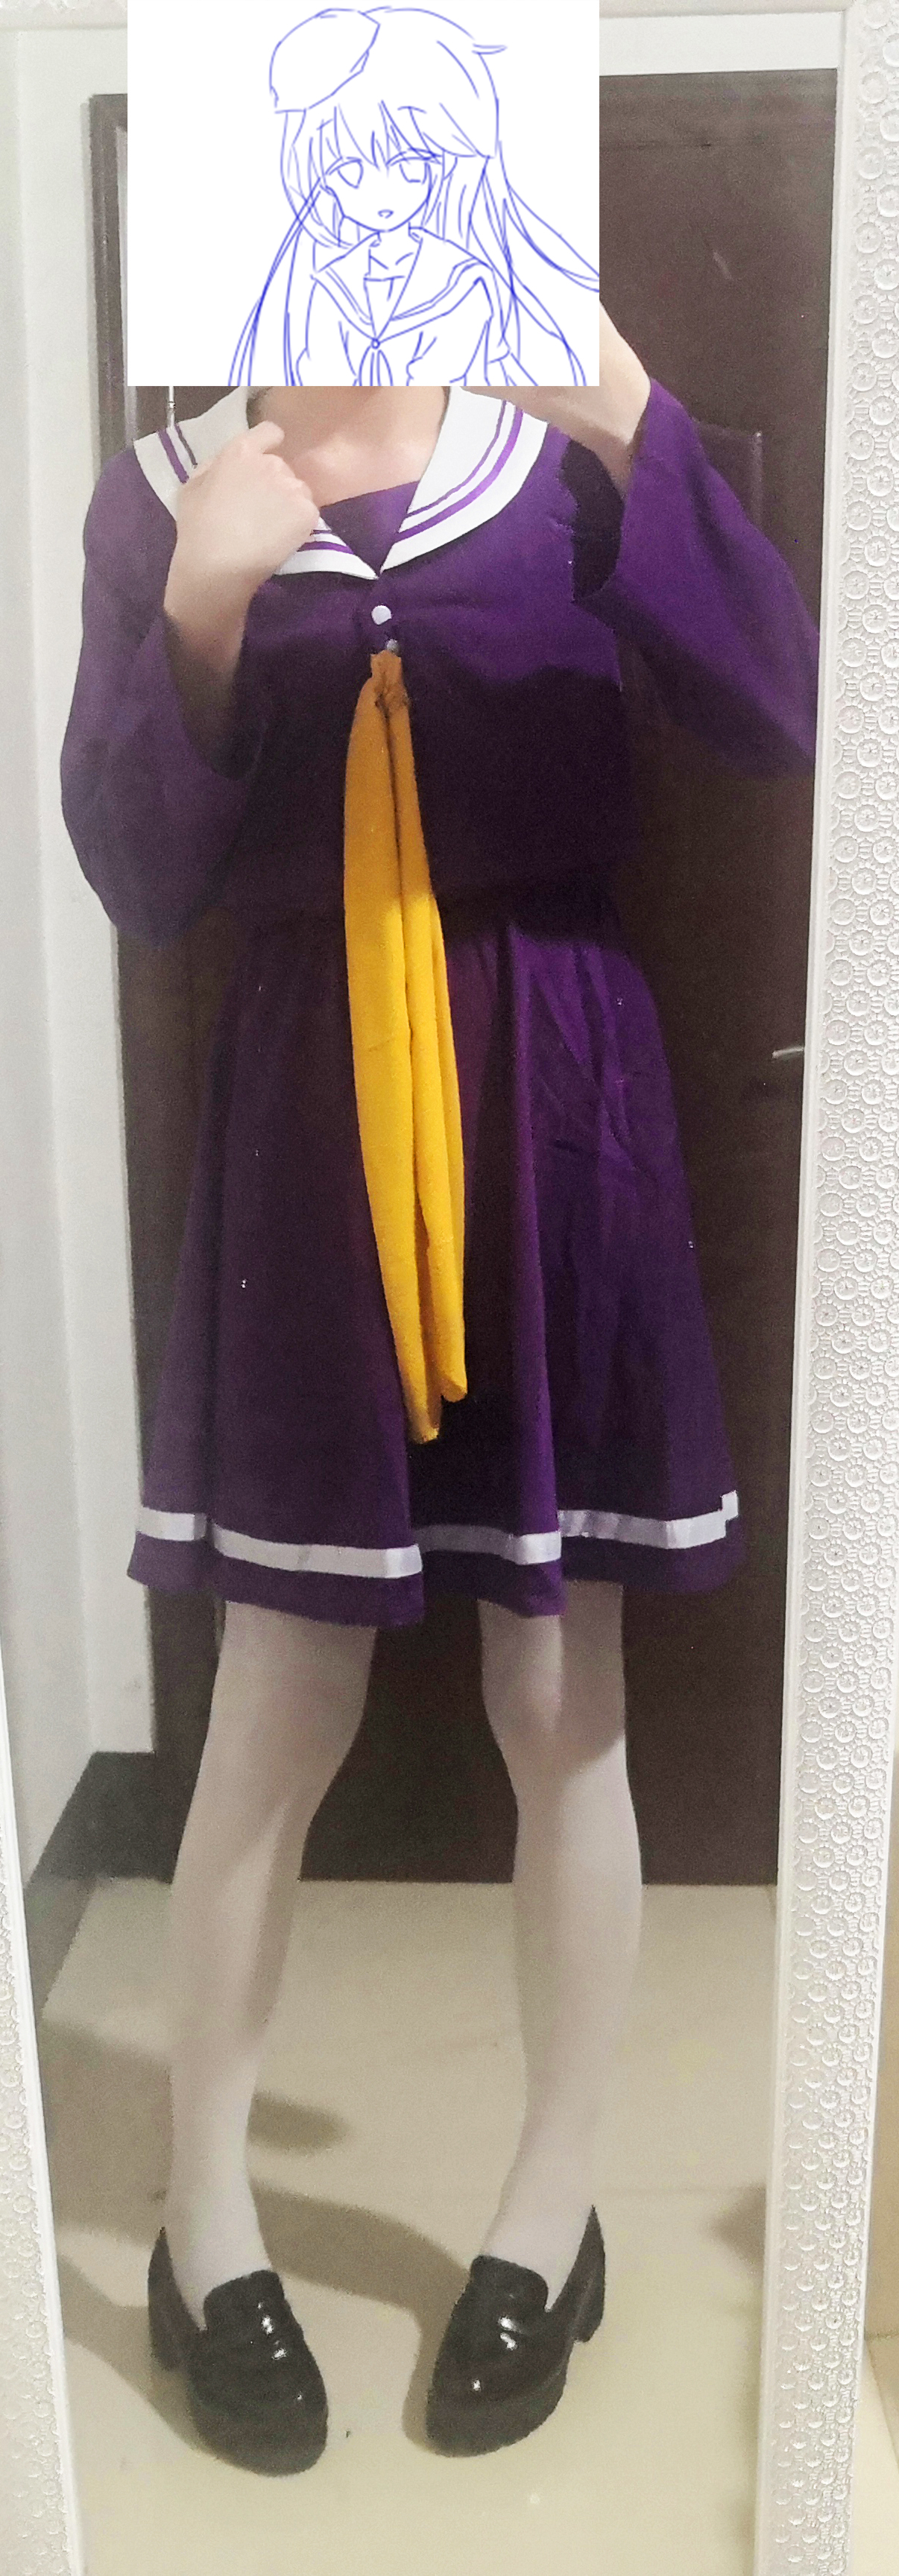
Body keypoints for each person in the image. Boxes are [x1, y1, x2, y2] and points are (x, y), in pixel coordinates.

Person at [60, 318, 818, 2472]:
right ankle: (205, 2220)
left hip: (550, 1102)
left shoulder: (562, 459)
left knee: (558, 1695)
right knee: (275, 1701)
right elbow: (138, 871)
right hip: (308, 1119)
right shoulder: (162, 493)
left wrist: (633, 423)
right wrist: (207, 609)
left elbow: (779, 712)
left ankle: (548, 2212)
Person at [230, 6, 600, 386]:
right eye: (349, 171)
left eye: (408, 163)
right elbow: (318, 365)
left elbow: (453, 369)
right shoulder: (331, 282)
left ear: (442, 165)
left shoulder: (463, 280)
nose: (381, 191)